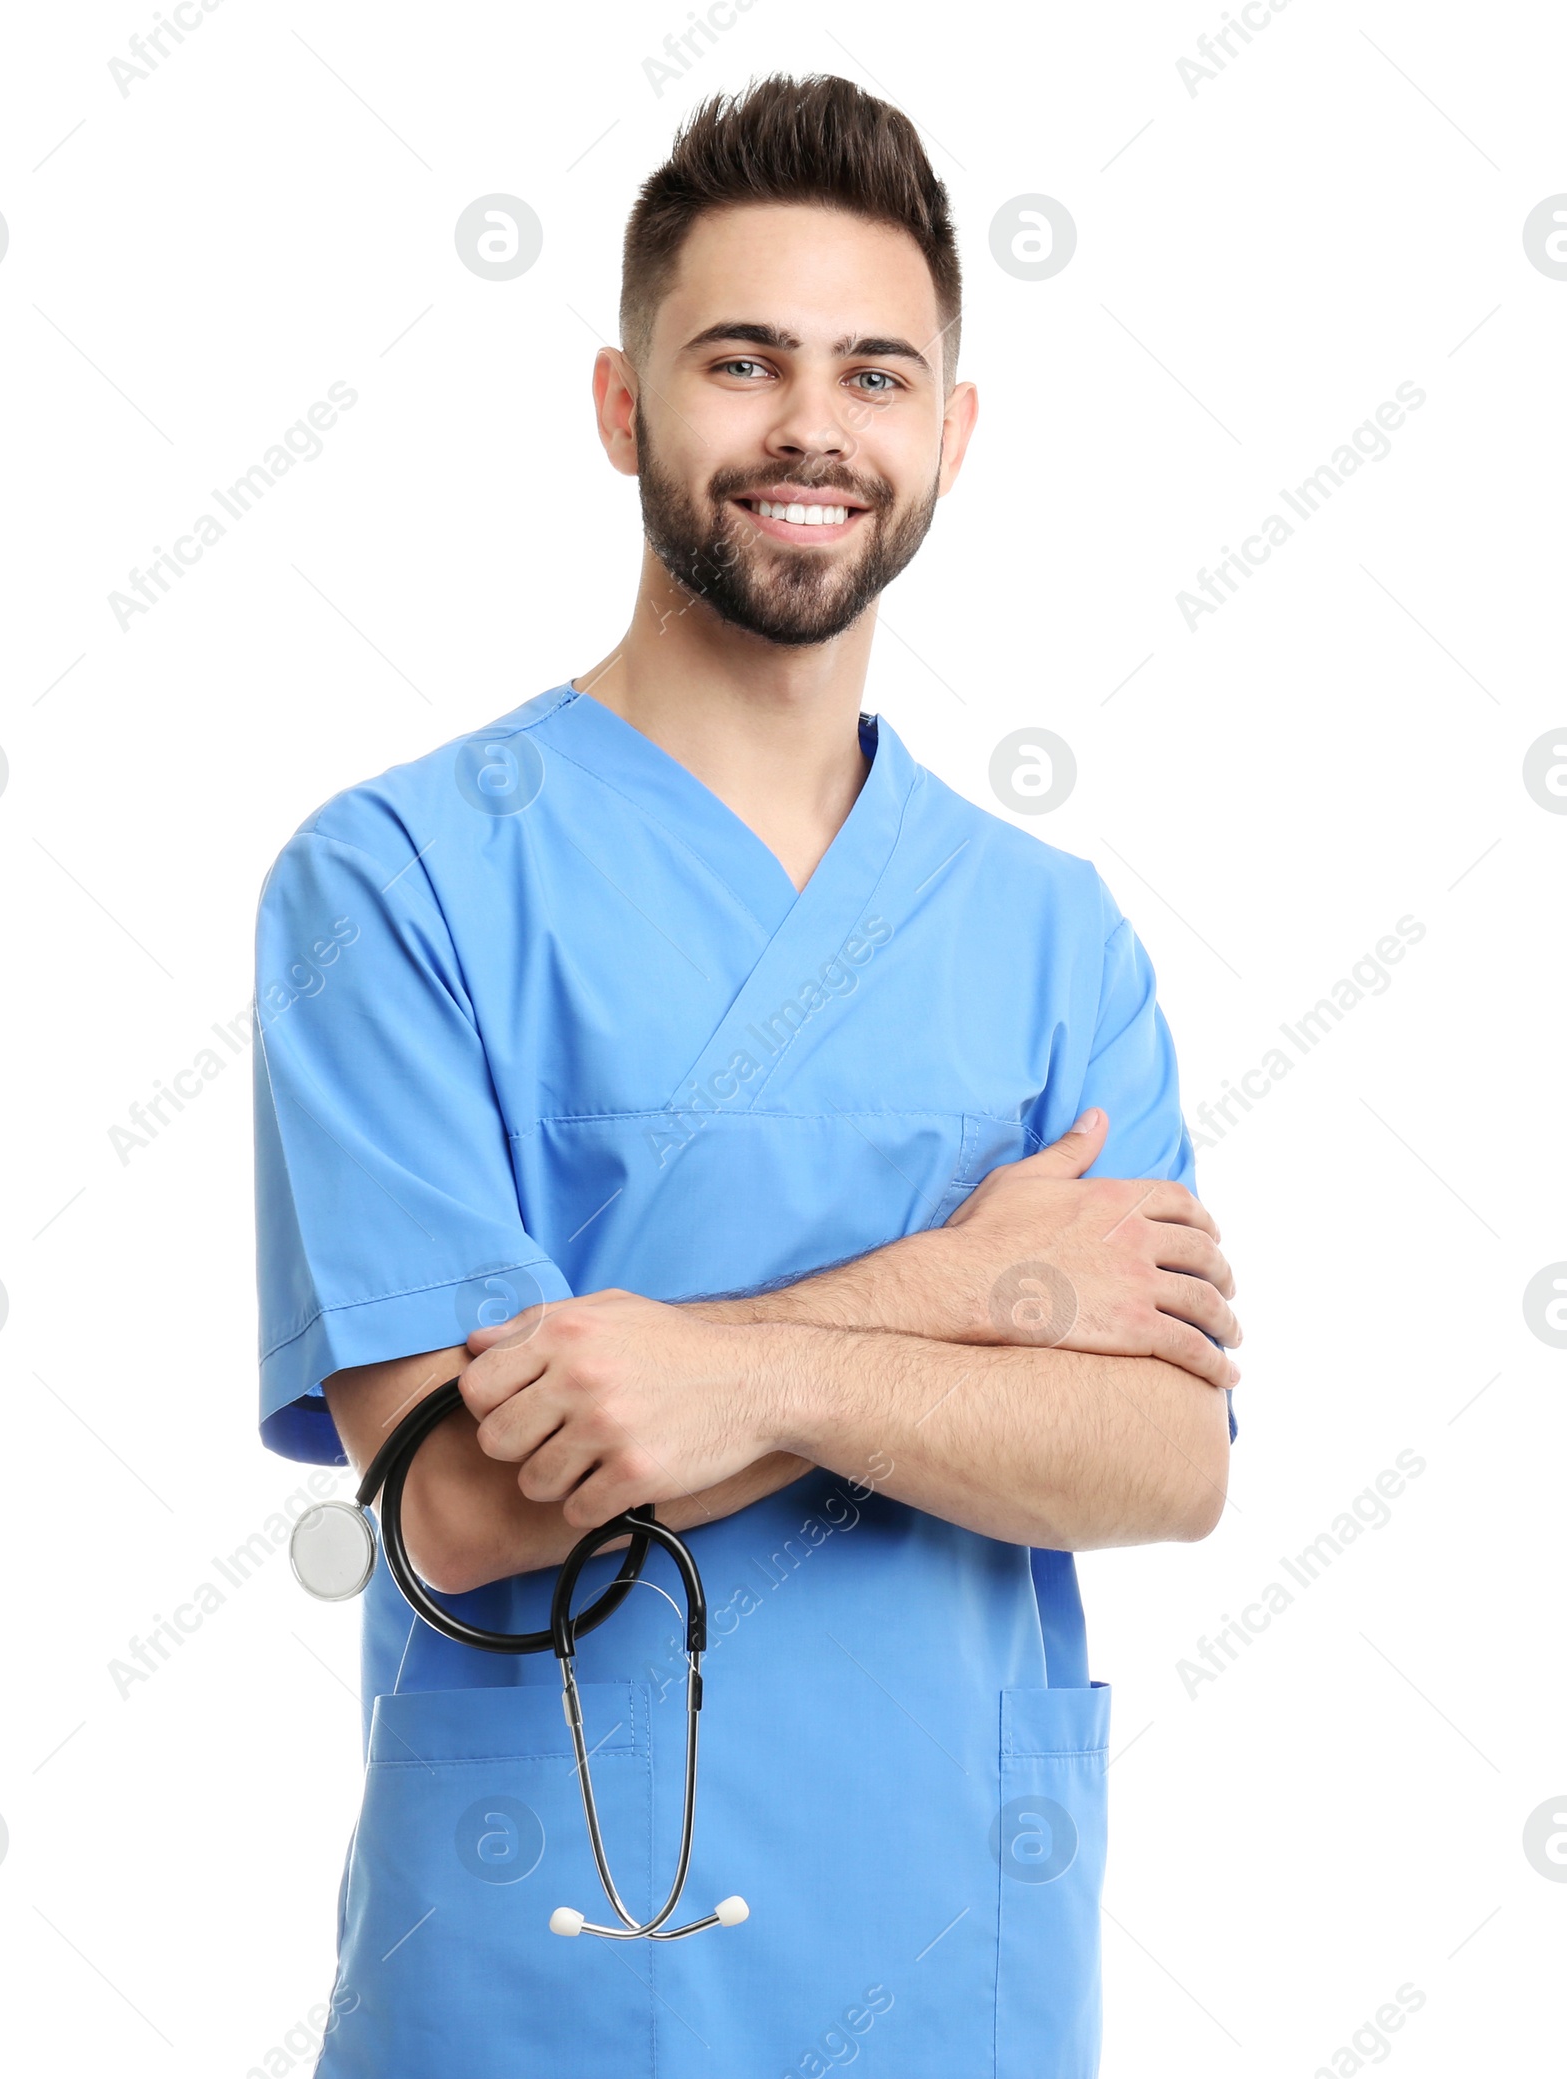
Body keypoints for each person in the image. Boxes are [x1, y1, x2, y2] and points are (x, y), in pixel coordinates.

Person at [254, 71, 1240, 2078]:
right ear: (621, 405)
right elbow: (456, 1500)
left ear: (946, 438)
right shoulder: (398, 878)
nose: (811, 425)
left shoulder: (1048, 928)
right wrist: (961, 1287)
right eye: (740, 359)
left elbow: (1166, 1454)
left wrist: (737, 1370)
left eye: (875, 373)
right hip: (534, 1988)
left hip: (954, 1975)